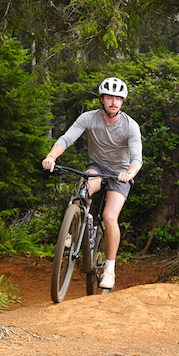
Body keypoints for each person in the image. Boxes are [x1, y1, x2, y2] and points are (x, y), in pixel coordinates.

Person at [42, 77, 142, 290]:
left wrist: (129, 173)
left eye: (118, 98)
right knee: (83, 191)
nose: (114, 102)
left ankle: (109, 269)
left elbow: (137, 159)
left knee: (109, 217)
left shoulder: (130, 126)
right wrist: (51, 156)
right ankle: (74, 230)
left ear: (123, 102)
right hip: (97, 167)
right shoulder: (88, 118)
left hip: (119, 174)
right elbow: (66, 139)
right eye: (109, 97)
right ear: (102, 99)